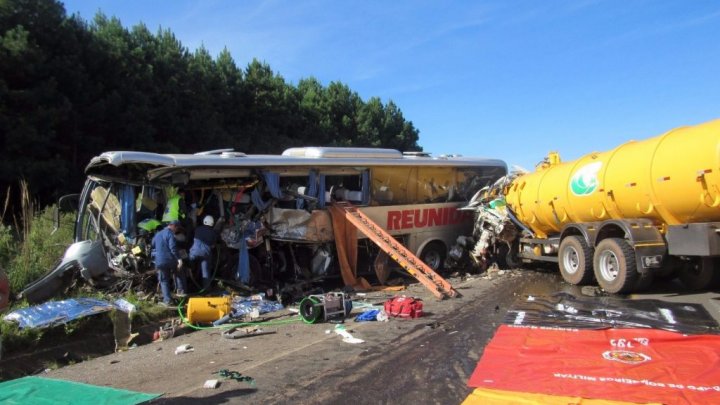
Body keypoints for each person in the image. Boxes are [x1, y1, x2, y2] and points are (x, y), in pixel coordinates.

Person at [152, 220, 188, 306]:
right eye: (177, 228)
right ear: (173, 226)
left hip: (159, 261)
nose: (177, 230)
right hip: (170, 259)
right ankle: (181, 292)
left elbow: (153, 244)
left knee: (164, 280)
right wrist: (179, 259)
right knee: (179, 271)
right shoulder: (170, 234)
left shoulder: (157, 234)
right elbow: (173, 248)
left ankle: (167, 301)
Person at [190, 215, 218, 290]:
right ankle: (206, 289)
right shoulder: (213, 233)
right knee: (206, 272)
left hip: (195, 251)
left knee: (187, 264)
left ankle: (188, 283)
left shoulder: (198, 229)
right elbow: (213, 245)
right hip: (206, 253)